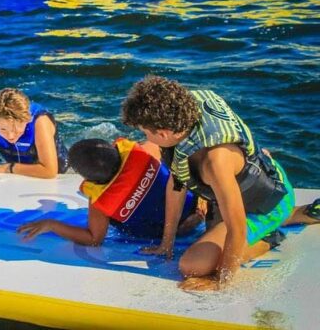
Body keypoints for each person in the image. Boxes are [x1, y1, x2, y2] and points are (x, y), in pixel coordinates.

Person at [121, 75, 320, 291]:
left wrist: (220, 279)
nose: (145, 138)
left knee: (193, 265)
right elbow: (177, 184)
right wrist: (166, 243)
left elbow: (237, 226)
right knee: (211, 242)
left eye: (145, 133)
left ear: (163, 133)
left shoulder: (215, 162)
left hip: (266, 204)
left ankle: (271, 234)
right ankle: (298, 213)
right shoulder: (183, 114)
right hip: (242, 190)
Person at [17, 137, 204, 245]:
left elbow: (94, 239)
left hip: (174, 233)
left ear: (87, 178)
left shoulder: (100, 201)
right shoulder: (146, 151)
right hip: (195, 210)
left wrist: (52, 225)